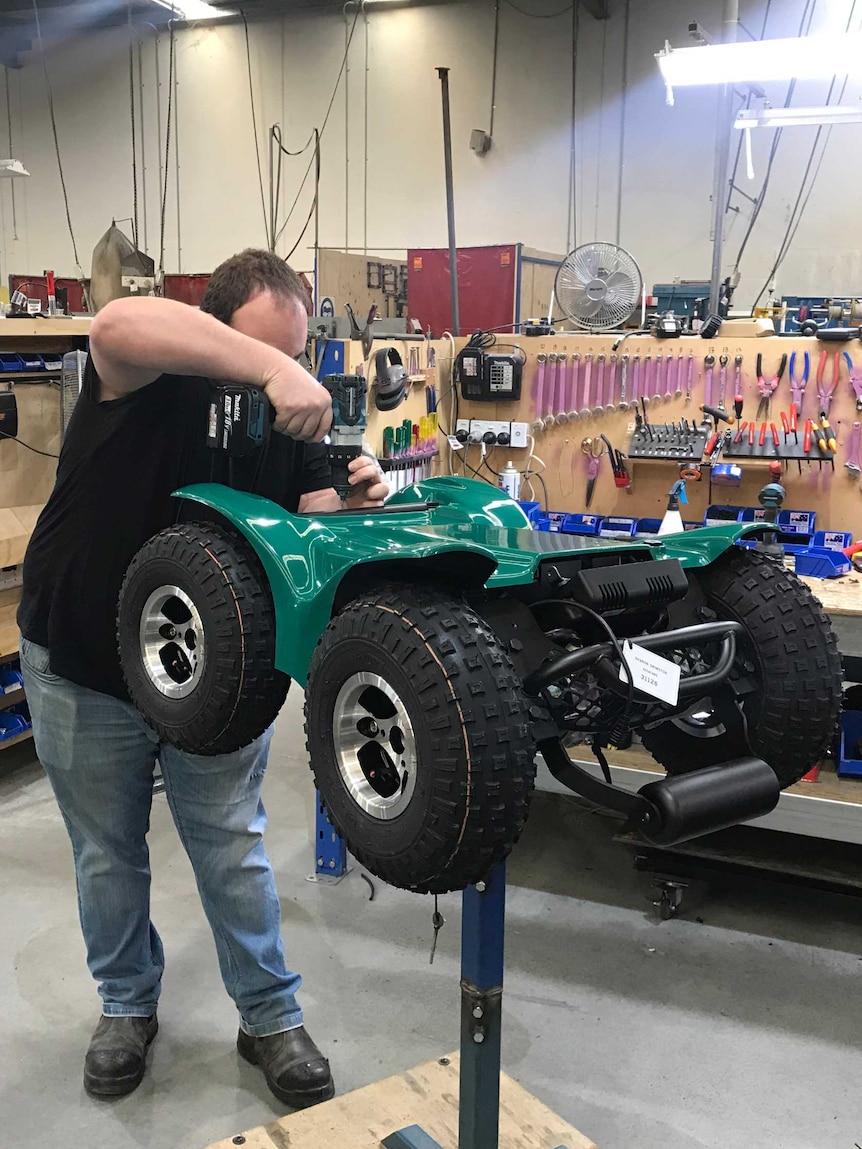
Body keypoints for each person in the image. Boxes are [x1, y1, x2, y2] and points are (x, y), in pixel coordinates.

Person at [17, 249, 388, 1106]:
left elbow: (314, 534)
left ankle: (269, 1014)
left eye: (299, 357)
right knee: (107, 852)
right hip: (83, 656)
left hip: (212, 675)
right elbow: (112, 323)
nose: (286, 379)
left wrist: (353, 504)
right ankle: (125, 1005)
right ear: (215, 329)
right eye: (267, 355)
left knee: (230, 844)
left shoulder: (293, 420)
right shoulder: (149, 369)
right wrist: (266, 369)